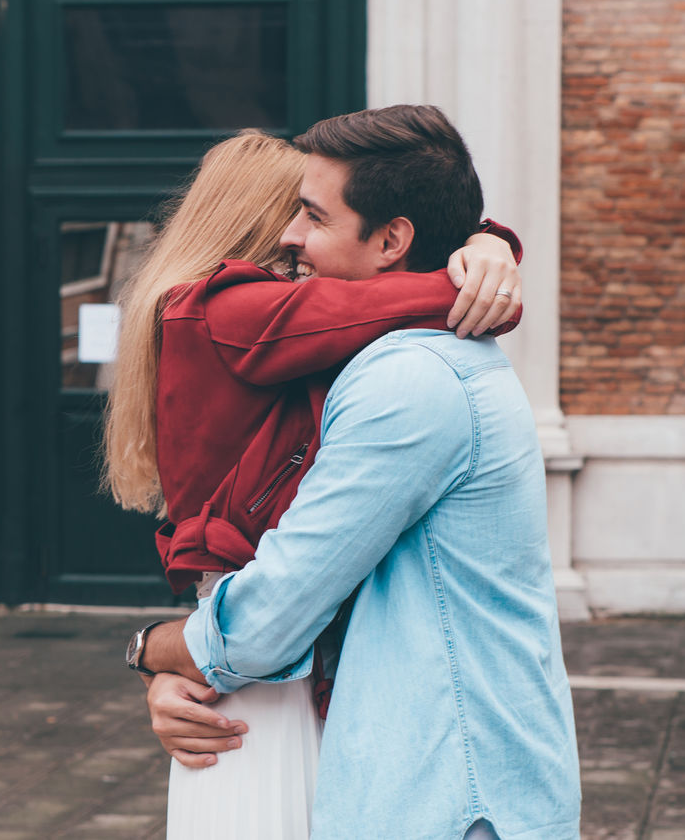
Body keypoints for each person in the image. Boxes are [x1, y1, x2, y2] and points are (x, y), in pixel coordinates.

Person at [136, 106, 582, 839]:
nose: (291, 237)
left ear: (391, 240)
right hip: (428, 781)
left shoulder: (408, 381)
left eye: (312, 215)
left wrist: (155, 649)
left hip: (448, 797)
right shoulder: (382, 359)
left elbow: (270, 622)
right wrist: (485, 247)